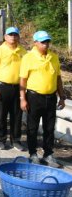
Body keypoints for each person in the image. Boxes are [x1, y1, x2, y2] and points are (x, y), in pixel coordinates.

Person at [20, 31, 67, 167]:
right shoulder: (28, 58)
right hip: (34, 97)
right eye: (42, 42)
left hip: (51, 97)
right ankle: (33, 153)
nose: (46, 44)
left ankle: (48, 154)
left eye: (47, 42)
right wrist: (23, 98)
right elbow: (23, 80)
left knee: (49, 127)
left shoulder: (54, 57)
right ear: (35, 43)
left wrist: (62, 96)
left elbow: (58, 78)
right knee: (32, 127)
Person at [0, 27, 27, 152]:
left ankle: (16, 140)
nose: (13, 37)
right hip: (3, 86)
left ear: (18, 37)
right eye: (10, 35)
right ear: (5, 37)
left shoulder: (23, 51)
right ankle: (0, 139)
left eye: (15, 35)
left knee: (17, 115)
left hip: (18, 87)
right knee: (1, 115)